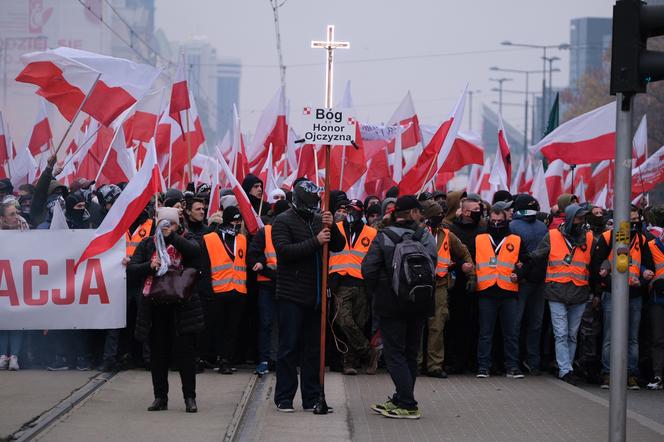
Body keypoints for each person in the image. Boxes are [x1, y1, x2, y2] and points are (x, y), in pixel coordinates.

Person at [271, 180, 345, 412]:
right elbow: (285, 251)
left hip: (316, 296)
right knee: (289, 348)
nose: (314, 207)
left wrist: (330, 226)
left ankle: (312, 398)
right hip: (291, 295)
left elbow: (338, 246)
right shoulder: (282, 222)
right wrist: (315, 241)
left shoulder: (317, 219)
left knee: (314, 350)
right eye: (310, 203)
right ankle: (284, 397)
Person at [362, 195, 437, 419]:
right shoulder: (425, 236)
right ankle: (401, 396)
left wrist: (376, 292)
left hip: (391, 304)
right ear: (414, 213)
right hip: (421, 303)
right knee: (411, 354)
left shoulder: (384, 236)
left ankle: (407, 403)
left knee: (394, 354)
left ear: (395, 213)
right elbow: (433, 264)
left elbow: (368, 269)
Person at [130, 207, 204, 413]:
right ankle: (160, 397)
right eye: (162, 224)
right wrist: (149, 266)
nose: (165, 227)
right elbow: (132, 269)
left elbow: (195, 253)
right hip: (155, 307)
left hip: (182, 308)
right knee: (158, 355)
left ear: (177, 225)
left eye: (170, 224)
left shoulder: (188, 239)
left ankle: (190, 397)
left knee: (186, 355)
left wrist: (171, 237)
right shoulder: (147, 244)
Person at [530, 204, 594, 385]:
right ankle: (565, 370)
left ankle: (568, 367)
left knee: (572, 334)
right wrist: (525, 260)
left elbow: (596, 260)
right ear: (571, 218)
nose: (582, 222)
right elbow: (539, 254)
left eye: (584, 219)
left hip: (579, 291)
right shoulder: (552, 235)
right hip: (557, 291)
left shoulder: (589, 237)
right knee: (561, 333)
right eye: (579, 218)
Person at [592, 205, 654, 389]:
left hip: (634, 295)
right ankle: (607, 373)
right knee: (610, 336)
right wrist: (608, 281)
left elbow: (649, 266)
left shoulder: (642, 239)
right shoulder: (607, 237)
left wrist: (643, 280)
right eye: (631, 221)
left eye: (637, 220)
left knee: (632, 337)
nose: (635, 224)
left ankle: (631, 374)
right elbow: (596, 267)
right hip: (612, 293)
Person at [419, 200, 475, 379]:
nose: (440, 218)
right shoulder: (417, 233)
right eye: (436, 215)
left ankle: (435, 365)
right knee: (417, 327)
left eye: (441, 215)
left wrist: (471, 273)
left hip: (440, 284)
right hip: (419, 285)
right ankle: (415, 363)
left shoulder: (447, 234)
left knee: (438, 325)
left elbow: (463, 251)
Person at [475, 207, 528, 379]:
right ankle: (483, 367)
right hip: (486, 291)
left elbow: (526, 262)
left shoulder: (516, 239)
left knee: (511, 333)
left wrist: (518, 274)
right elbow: (470, 258)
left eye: (500, 221)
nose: (496, 224)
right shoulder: (480, 239)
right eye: (493, 221)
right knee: (485, 333)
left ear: (507, 221)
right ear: (488, 220)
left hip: (508, 292)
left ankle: (512, 366)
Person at [329, 199, 378, 375]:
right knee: (344, 321)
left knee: (358, 323)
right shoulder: (336, 229)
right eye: (348, 210)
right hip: (341, 282)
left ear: (361, 213)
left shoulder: (371, 232)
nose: (350, 213)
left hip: (362, 283)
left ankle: (349, 363)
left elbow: (375, 259)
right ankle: (368, 352)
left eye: (355, 211)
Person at [200, 206, 248, 374]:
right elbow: (204, 268)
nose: (237, 224)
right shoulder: (209, 239)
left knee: (232, 328)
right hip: (218, 290)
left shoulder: (242, 239)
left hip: (238, 290)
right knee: (217, 327)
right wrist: (208, 291)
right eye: (234, 220)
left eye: (239, 221)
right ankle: (216, 357)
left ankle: (226, 359)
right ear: (226, 220)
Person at [248, 199, 290, 375]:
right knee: (266, 322)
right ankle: (265, 360)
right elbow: (253, 256)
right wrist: (264, 267)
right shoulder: (265, 232)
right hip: (268, 284)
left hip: (286, 285)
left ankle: (282, 360)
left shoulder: (291, 231)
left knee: (286, 324)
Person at [444, 193, 485, 374]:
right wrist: (462, 265)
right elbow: (449, 255)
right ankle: (455, 361)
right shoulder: (453, 230)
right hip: (457, 285)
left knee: (475, 325)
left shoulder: (484, 230)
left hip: (481, 284)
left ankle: (473, 361)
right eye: (476, 210)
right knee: (457, 325)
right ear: (466, 212)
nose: (480, 212)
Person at [509, 194, 549, 375]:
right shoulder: (541, 227)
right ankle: (530, 361)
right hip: (532, 281)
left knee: (521, 324)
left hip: (528, 282)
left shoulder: (514, 226)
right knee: (533, 324)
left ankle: (519, 361)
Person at [0, 202, 27, 371]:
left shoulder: (25, 229)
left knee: (17, 319)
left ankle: (14, 356)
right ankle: (3, 355)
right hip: (3, 281)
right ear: (2, 218)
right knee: (2, 319)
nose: (16, 216)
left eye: (17, 212)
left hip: (19, 281)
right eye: (11, 214)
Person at [647, 219, 664, 390]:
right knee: (658, 339)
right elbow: (643, 262)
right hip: (658, 299)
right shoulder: (652, 246)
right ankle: (657, 374)